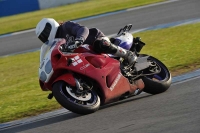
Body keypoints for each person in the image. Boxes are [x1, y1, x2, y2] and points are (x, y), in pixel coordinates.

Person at [35, 18, 137, 65]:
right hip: (86, 55)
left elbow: (83, 29)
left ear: (50, 26)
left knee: (100, 44)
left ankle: (128, 54)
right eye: (42, 37)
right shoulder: (56, 44)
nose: (45, 37)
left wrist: (79, 39)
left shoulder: (66, 26)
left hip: (94, 40)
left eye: (45, 33)